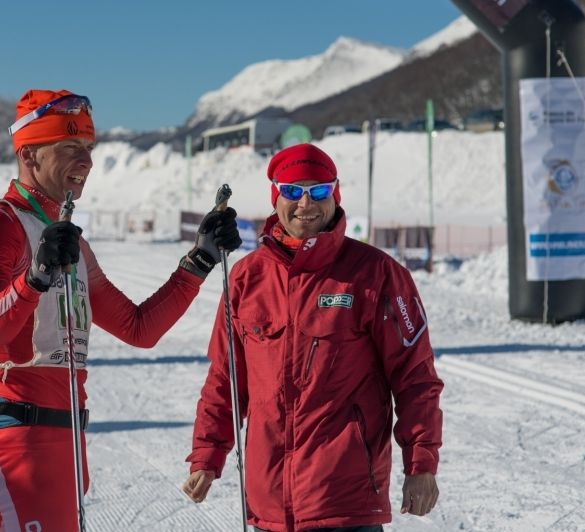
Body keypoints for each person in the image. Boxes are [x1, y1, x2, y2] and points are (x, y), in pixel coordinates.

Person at [0, 88, 241, 531]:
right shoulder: (0, 221)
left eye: (88, 148)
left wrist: (199, 260)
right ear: (29, 154)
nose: (86, 161)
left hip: (67, 444)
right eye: (70, 148)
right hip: (20, 446)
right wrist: (33, 279)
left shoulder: (70, 241)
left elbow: (138, 328)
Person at [182, 143, 443, 532]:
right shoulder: (246, 278)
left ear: (334, 195)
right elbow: (225, 380)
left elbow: (415, 377)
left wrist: (421, 463)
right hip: (269, 502)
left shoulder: (376, 274)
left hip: (346, 501)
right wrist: (207, 454)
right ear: (276, 196)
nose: (306, 202)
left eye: (319, 190)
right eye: (292, 190)